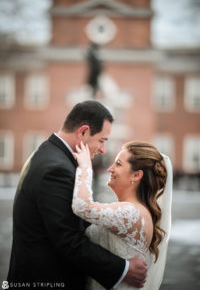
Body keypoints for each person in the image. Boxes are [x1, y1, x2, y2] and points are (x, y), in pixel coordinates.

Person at [7, 100, 147, 290]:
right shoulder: (57, 169)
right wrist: (123, 268)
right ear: (83, 132)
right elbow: (67, 240)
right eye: (102, 140)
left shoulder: (49, 154)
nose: (103, 150)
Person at [72, 140, 173, 290]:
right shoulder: (136, 211)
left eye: (118, 164)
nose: (110, 169)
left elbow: (82, 207)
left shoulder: (131, 213)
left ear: (137, 175)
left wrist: (85, 167)